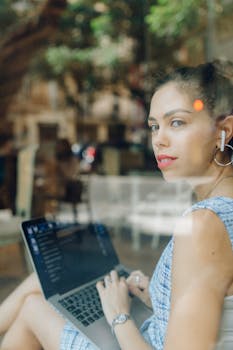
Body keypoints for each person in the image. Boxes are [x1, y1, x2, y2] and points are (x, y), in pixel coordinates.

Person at [1, 60, 233, 350]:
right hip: (151, 333)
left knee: (34, 308)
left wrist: (120, 315)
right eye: (153, 126)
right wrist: (158, 298)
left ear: (223, 130)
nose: (158, 140)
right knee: (41, 284)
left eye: (177, 122)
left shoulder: (204, 225)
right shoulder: (220, 213)